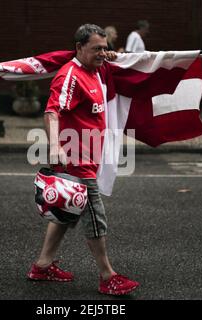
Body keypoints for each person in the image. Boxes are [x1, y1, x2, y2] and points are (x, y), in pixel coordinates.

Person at [26, 24, 140, 296]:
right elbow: (52, 112)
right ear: (79, 48)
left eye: (105, 48)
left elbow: (105, 62)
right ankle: (107, 276)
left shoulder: (96, 69)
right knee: (94, 215)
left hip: (90, 157)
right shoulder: (71, 76)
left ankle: (42, 265)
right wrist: (55, 145)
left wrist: (108, 56)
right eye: (96, 48)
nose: (103, 53)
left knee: (66, 212)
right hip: (75, 159)